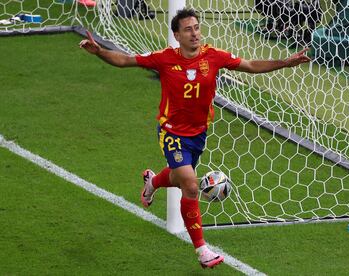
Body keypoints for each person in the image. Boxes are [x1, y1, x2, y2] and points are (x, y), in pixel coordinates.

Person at [79, 8, 310, 269]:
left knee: (179, 178)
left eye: (197, 28)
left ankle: (152, 182)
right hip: (171, 132)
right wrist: (99, 52)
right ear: (176, 35)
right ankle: (202, 251)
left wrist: (284, 62)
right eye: (188, 29)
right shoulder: (164, 58)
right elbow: (125, 61)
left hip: (198, 134)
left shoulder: (213, 56)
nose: (195, 33)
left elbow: (250, 66)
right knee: (190, 184)